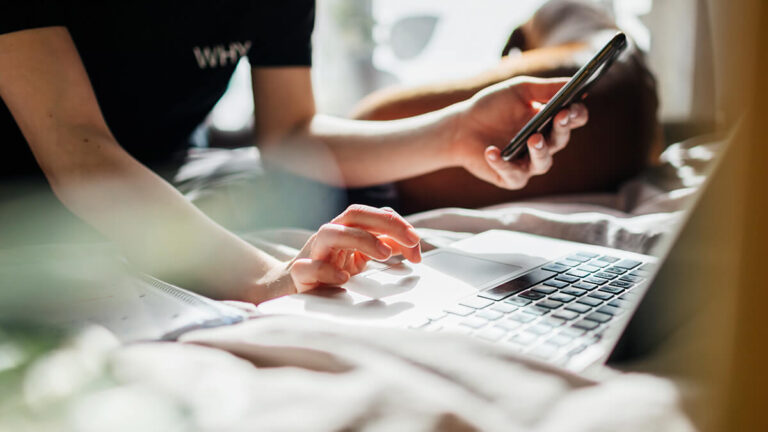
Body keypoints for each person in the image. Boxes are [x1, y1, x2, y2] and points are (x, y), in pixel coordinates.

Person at [0, 1, 587, 304]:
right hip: (31, 184)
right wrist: (268, 278)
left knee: (343, 197)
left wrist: (456, 131)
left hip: (160, 168)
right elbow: (81, 155)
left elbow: (289, 136)